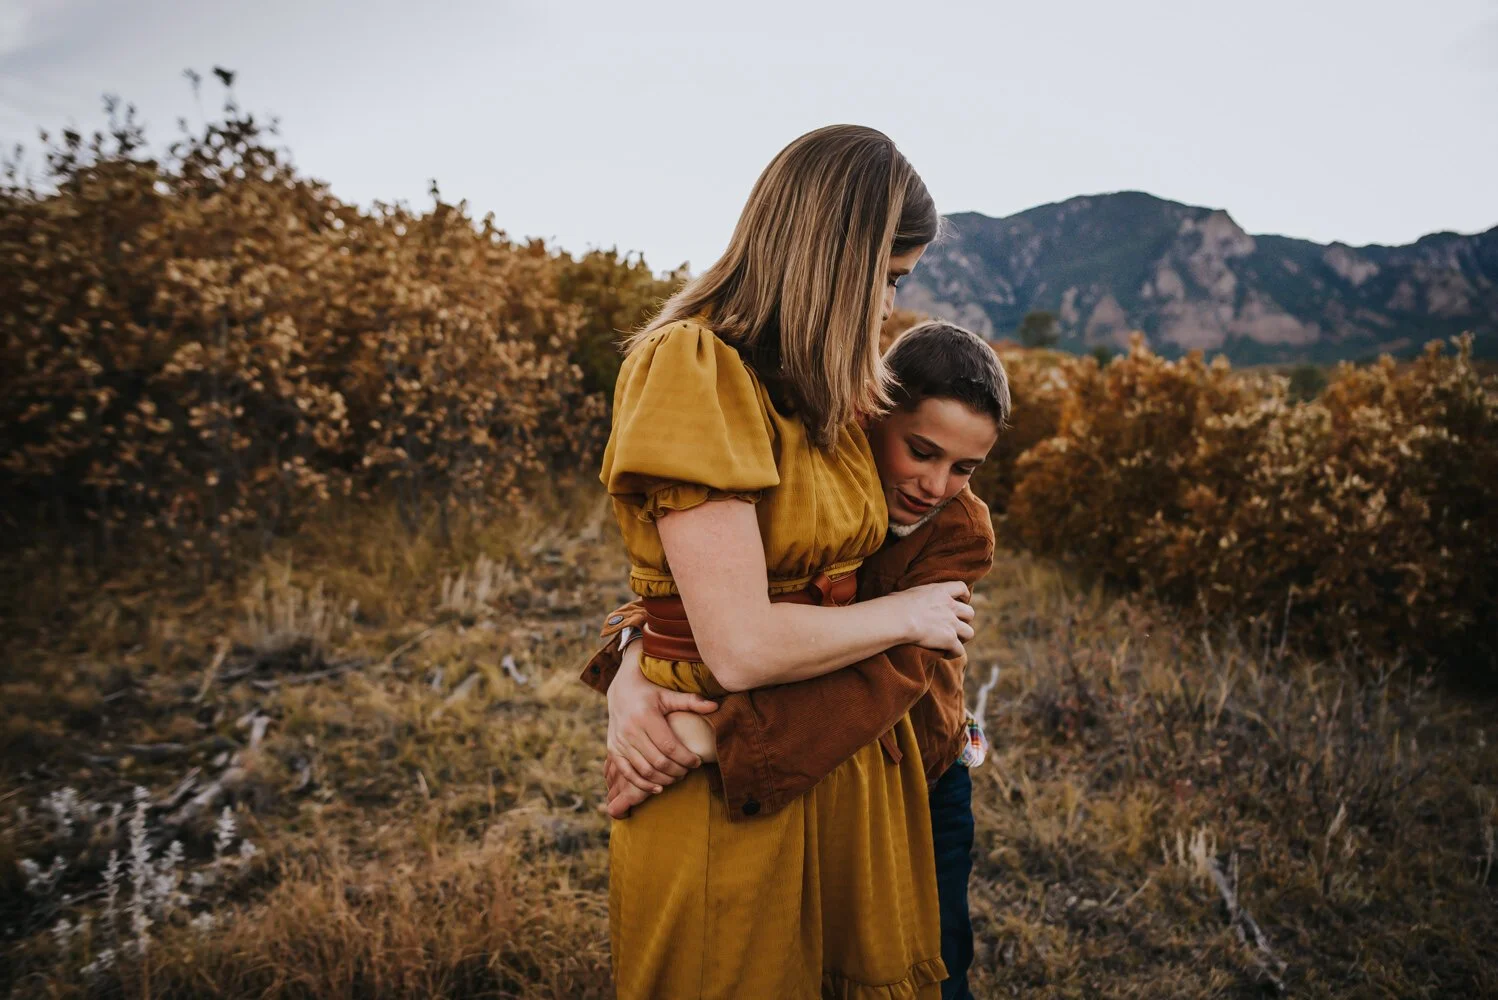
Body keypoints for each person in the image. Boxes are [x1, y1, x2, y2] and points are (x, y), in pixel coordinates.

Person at [595, 124, 973, 999]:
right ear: (834, 258)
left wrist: (623, 650)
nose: (887, 309)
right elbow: (737, 644)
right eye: (886, 279)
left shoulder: (834, 391)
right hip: (725, 762)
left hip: (841, 752)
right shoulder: (695, 365)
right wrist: (909, 619)